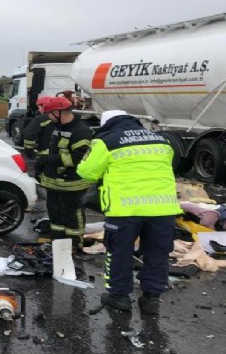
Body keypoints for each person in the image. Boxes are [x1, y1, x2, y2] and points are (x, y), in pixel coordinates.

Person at [77, 110, 181, 315]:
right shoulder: (161, 140)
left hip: (125, 209)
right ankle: (152, 299)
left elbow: (86, 172)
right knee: (157, 254)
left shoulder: (106, 141)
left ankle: (119, 296)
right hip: (163, 208)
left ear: (106, 124)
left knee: (119, 252)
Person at [37, 96, 92, 250]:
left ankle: (74, 244)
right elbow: (54, 149)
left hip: (71, 183)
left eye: (49, 114)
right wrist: (41, 164)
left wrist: (50, 159)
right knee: (55, 215)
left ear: (57, 112)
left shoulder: (81, 131)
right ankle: (58, 242)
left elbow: (77, 159)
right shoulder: (59, 128)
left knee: (72, 215)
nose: (48, 117)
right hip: (55, 183)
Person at [22, 96, 54, 181]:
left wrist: (30, 152)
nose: (38, 110)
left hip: (45, 158)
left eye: (39, 107)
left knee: (43, 178)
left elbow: (29, 135)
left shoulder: (41, 119)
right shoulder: (62, 118)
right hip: (61, 157)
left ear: (44, 106)